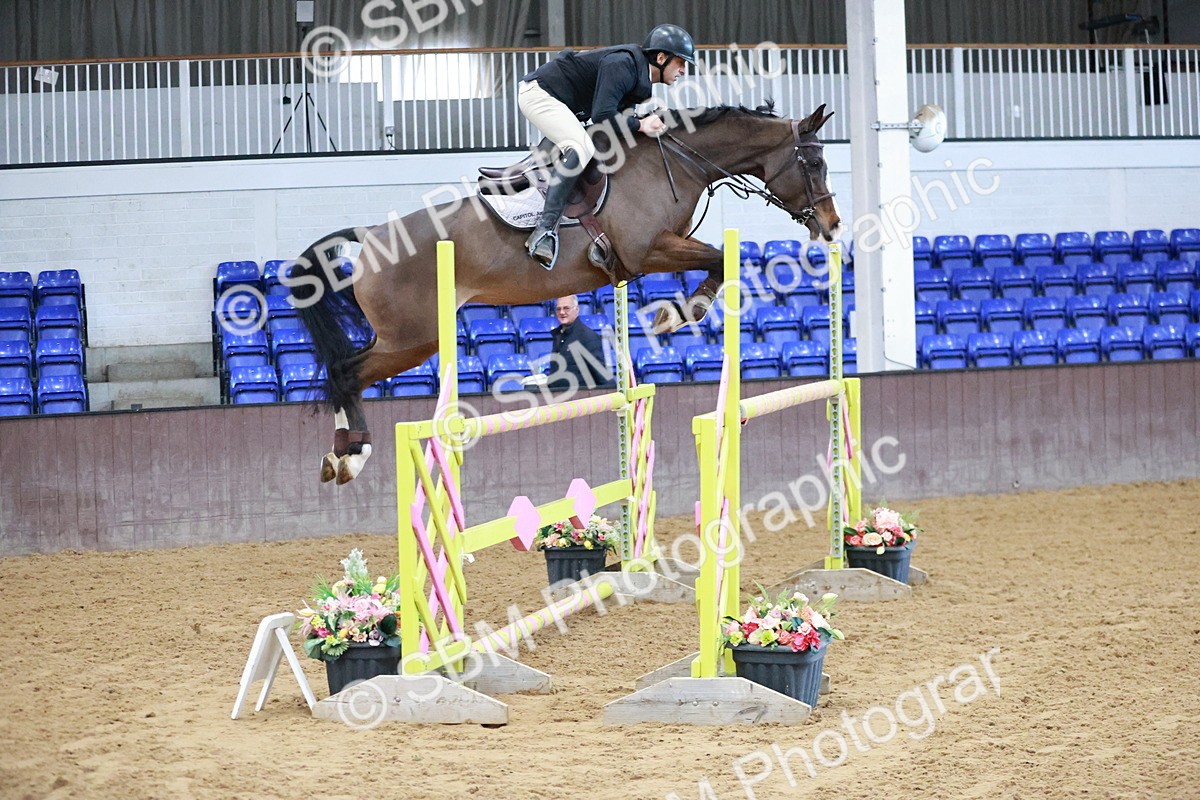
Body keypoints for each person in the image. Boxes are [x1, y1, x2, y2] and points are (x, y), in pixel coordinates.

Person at [517, 24, 696, 269]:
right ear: (661, 58)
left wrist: (643, 123)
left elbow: (618, 126)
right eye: (681, 62)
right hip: (539, 94)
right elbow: (603, 116)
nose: (684, 70)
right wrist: (641, 124)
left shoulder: (639, 81)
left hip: (564, 103)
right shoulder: (623, 65)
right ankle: (544, 231)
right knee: (580, 148)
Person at [546, 295, 615, 391]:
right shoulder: (558, 335)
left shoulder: (588, 337)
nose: (561, 312)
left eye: (566, 308)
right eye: (558, 309)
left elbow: (601, 375)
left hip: (579, 398)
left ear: (577, 310)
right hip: (559, 397)